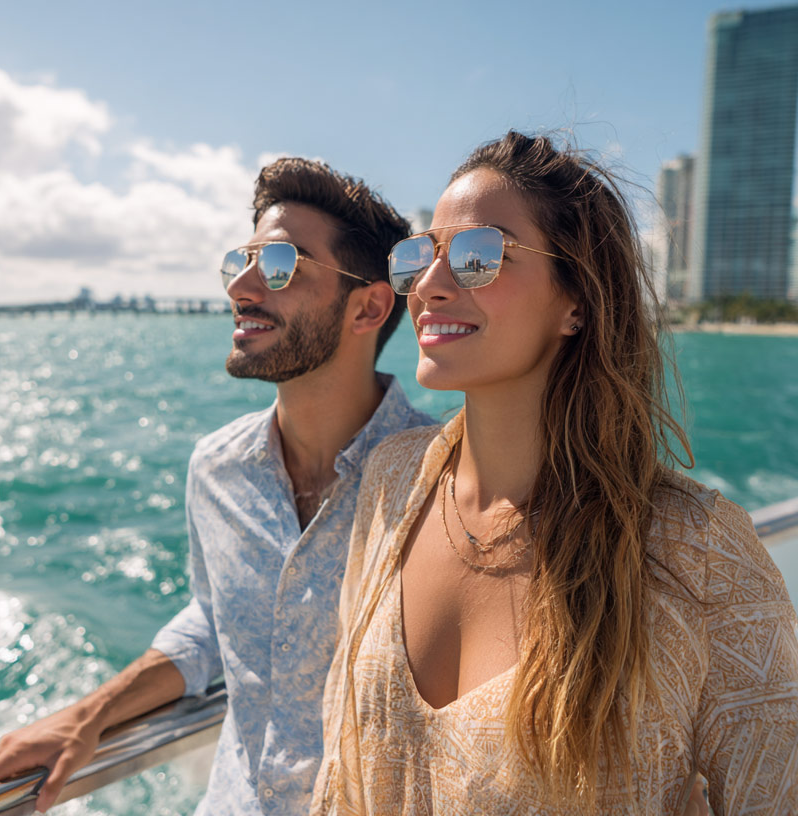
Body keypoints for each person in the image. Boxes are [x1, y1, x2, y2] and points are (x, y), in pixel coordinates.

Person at [312, 132, 798, 815]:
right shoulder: (393, 480)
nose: (430, 285)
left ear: (576, 300)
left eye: (481, 256)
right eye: (422, 255)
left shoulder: (698, 553)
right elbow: (341, 772)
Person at [0, 158, 434, 814]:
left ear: (368, 307)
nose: (240, 286)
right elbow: (215, 619)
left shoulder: (443, 482)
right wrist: (91, 714)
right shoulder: (215, 469)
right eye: (240, 262)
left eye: (278, 266)